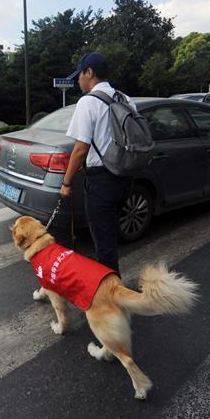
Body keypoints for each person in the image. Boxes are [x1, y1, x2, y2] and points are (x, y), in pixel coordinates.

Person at [59, 52, 135, 276]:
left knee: (104, 246)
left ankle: (111, 292)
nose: (78, 80)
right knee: (108, 236)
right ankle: (109, 282)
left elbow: (80, 149)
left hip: (101, 181)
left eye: (80, 75)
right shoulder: (125, 99)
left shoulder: (88, 102)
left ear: (89, 72)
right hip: (125, 177)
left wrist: (66, 183)